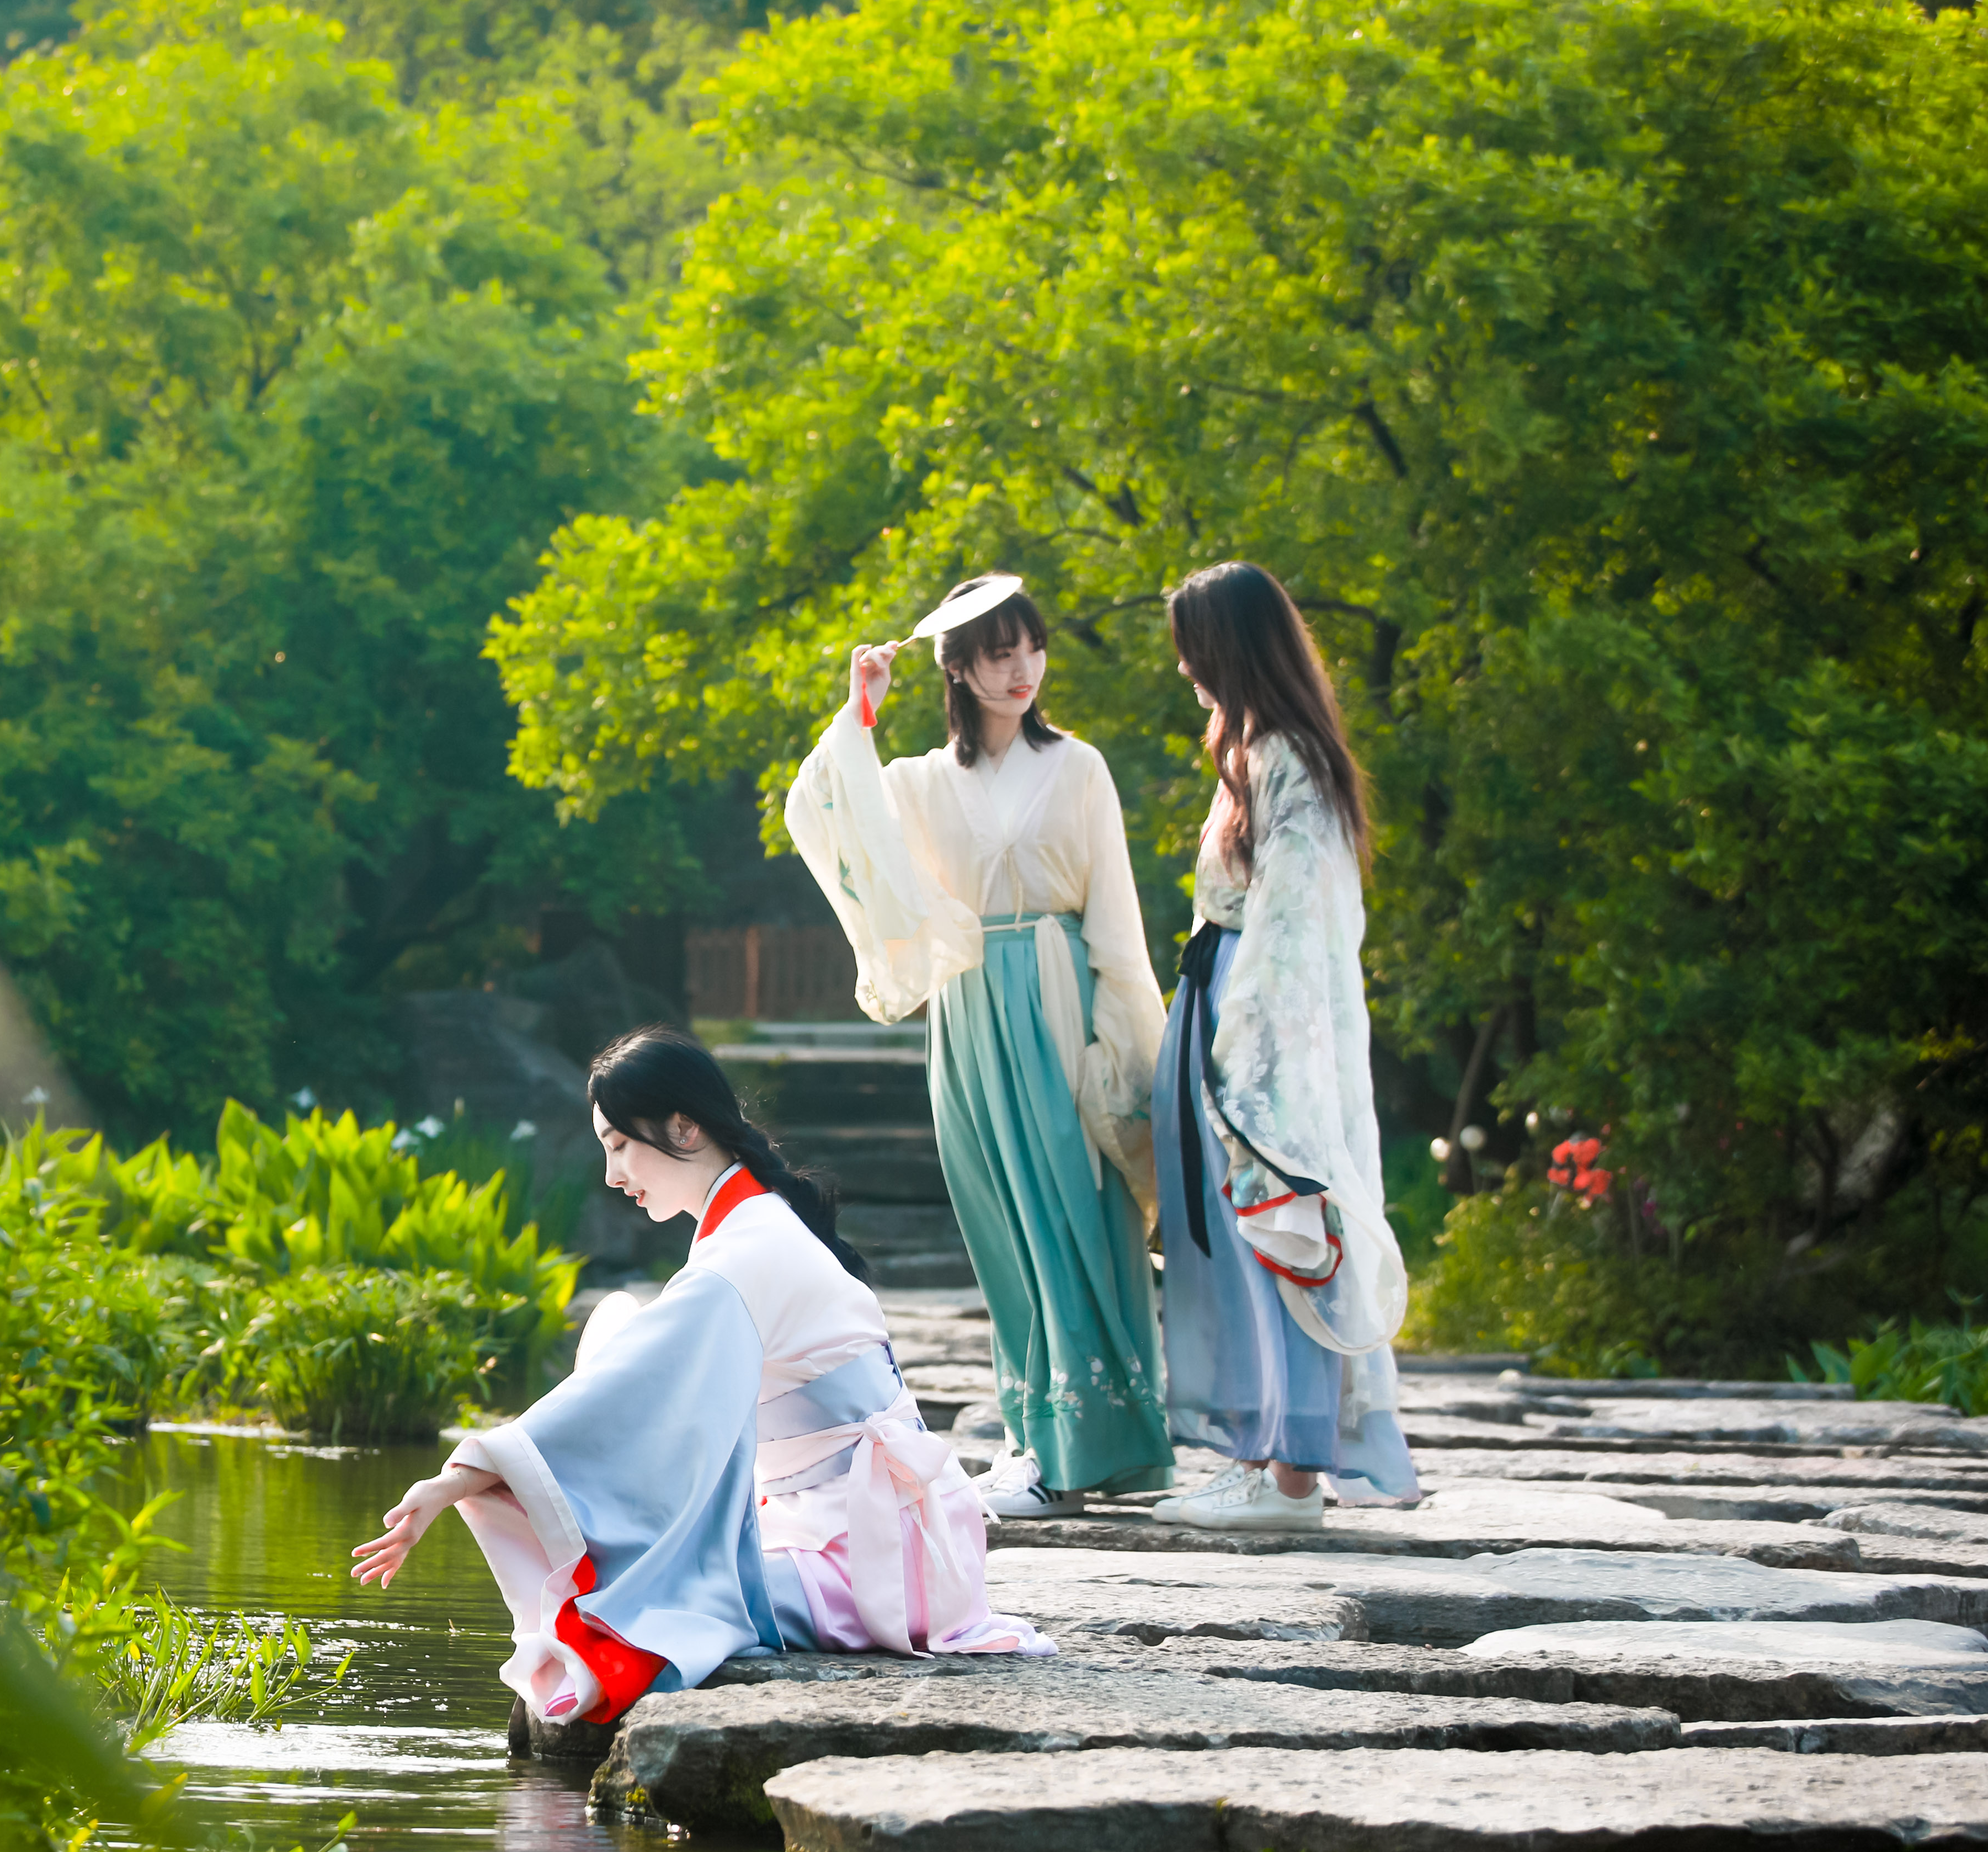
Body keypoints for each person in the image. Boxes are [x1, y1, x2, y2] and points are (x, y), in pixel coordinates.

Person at [349, 1029, 1052, 1728]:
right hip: (882, 1536)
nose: (611, 1173)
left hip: (874, 1560)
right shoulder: (751, 1226)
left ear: (683, 1127)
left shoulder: (742, 1254)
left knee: (655, 1610)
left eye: (619, 1143)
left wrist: (463, 1474)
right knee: (652, 1535)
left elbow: (623, 1395)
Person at [783, 573, 1173, 1519]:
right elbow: (833, 815)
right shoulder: (917, 781)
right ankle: (1032, 1440)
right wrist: (858, 715)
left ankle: (1098, 1441)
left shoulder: (1077, 766)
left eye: (1030, 647)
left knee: (1074, 1209)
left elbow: (1114, 913)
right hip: (967, 1004)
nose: (1021, 669)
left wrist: (1130, 1037)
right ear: (954, 666)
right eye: (997, 653)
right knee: (999, 1213)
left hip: (1056, 993)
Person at [1150, 561, 1416, 1528]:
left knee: (1279, 1225)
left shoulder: (1284, 756)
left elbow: (1292, 919)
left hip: (1252, 1012)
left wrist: (1245, 1049)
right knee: (1236, 1235)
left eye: (1193, 646)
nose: (1185, 667)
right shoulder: (1255, 750)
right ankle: (1259, 1450)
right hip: (1217, 993)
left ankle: (1293, 1471)